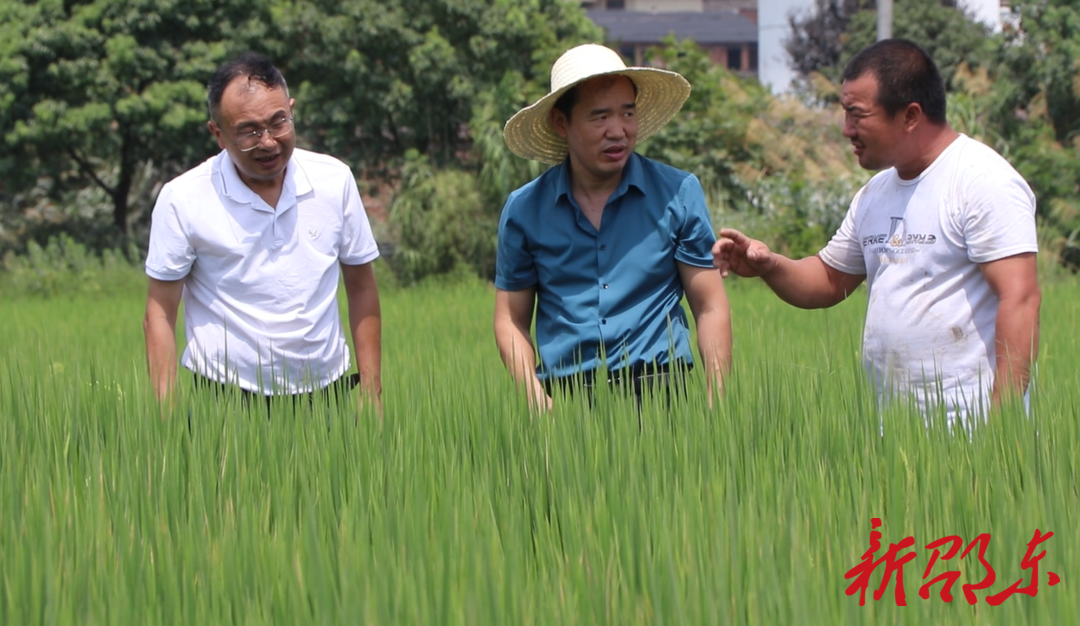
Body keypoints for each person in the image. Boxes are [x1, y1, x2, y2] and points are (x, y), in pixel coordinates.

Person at [713, 39, 1041, 427]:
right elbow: (830, 280)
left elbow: (1020, 300)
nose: (846, 130)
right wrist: (769, 265)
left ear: (910, 116)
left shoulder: (981, 181)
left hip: (970, 431)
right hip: (894, 433)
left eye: (857, 115)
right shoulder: (875, 194)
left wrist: (1001, 431)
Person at [494, 43, 732, 410]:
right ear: (562, 123)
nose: (618, 131)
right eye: (600, 117)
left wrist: (719, 399)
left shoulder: (678, 193)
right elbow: (510, 318)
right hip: (567, 398)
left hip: (662, 393)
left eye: (627, 113)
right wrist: (536, 401)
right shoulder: (525, 210)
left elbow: (710, 305)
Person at [143, 52, 382, 414]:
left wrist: (371, 391)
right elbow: (159, 312)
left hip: (326, 394)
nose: (268, 142)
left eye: (278, 122)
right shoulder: (184, 197)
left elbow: (362, 286)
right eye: (249, 131)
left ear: (292, 110)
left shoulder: (333, 180)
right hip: (224, 402)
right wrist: (167, 412)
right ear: (218, 134)